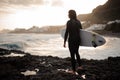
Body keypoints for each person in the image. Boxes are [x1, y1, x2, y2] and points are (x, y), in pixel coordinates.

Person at [63, 10, 82, 74]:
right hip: (78, 39)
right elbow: (82, 31)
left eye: (68, 14)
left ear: (70, 15)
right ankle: (80, 66)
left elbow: (66, 32)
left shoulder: (69, 22)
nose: (67, 15)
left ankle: (73, 71)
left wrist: (64, 42)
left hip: (71, 40)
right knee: (77, 52)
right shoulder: (78, 21)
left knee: (72, 55)